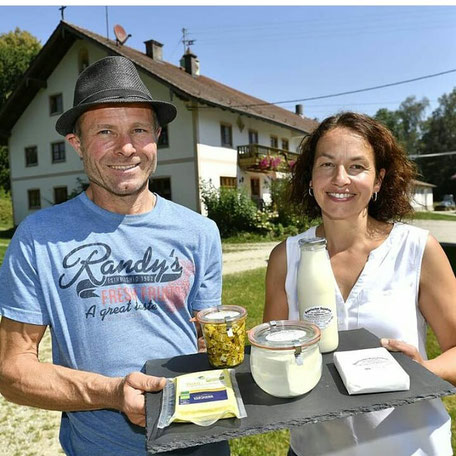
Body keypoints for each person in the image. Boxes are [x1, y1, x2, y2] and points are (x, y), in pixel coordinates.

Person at [0, 56, 229, 456]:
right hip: (100, 447)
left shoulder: (200, 231)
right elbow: (13, 371)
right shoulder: (38, 238)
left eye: (139, 130)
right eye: (105, 131)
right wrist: (112, 393)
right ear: (76, 143)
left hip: (200, 439)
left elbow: (204, 338)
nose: (126, 148)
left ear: (156, 136)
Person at [264, 112, 456, 456]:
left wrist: (421, 371)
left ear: (378, 180)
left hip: (411, 447)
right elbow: (271, 356)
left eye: (357, 166)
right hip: (313, 450)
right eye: (327, 164)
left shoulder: (416, 250)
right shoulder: (286, 257)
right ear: (310, 177)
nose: (340, 179)